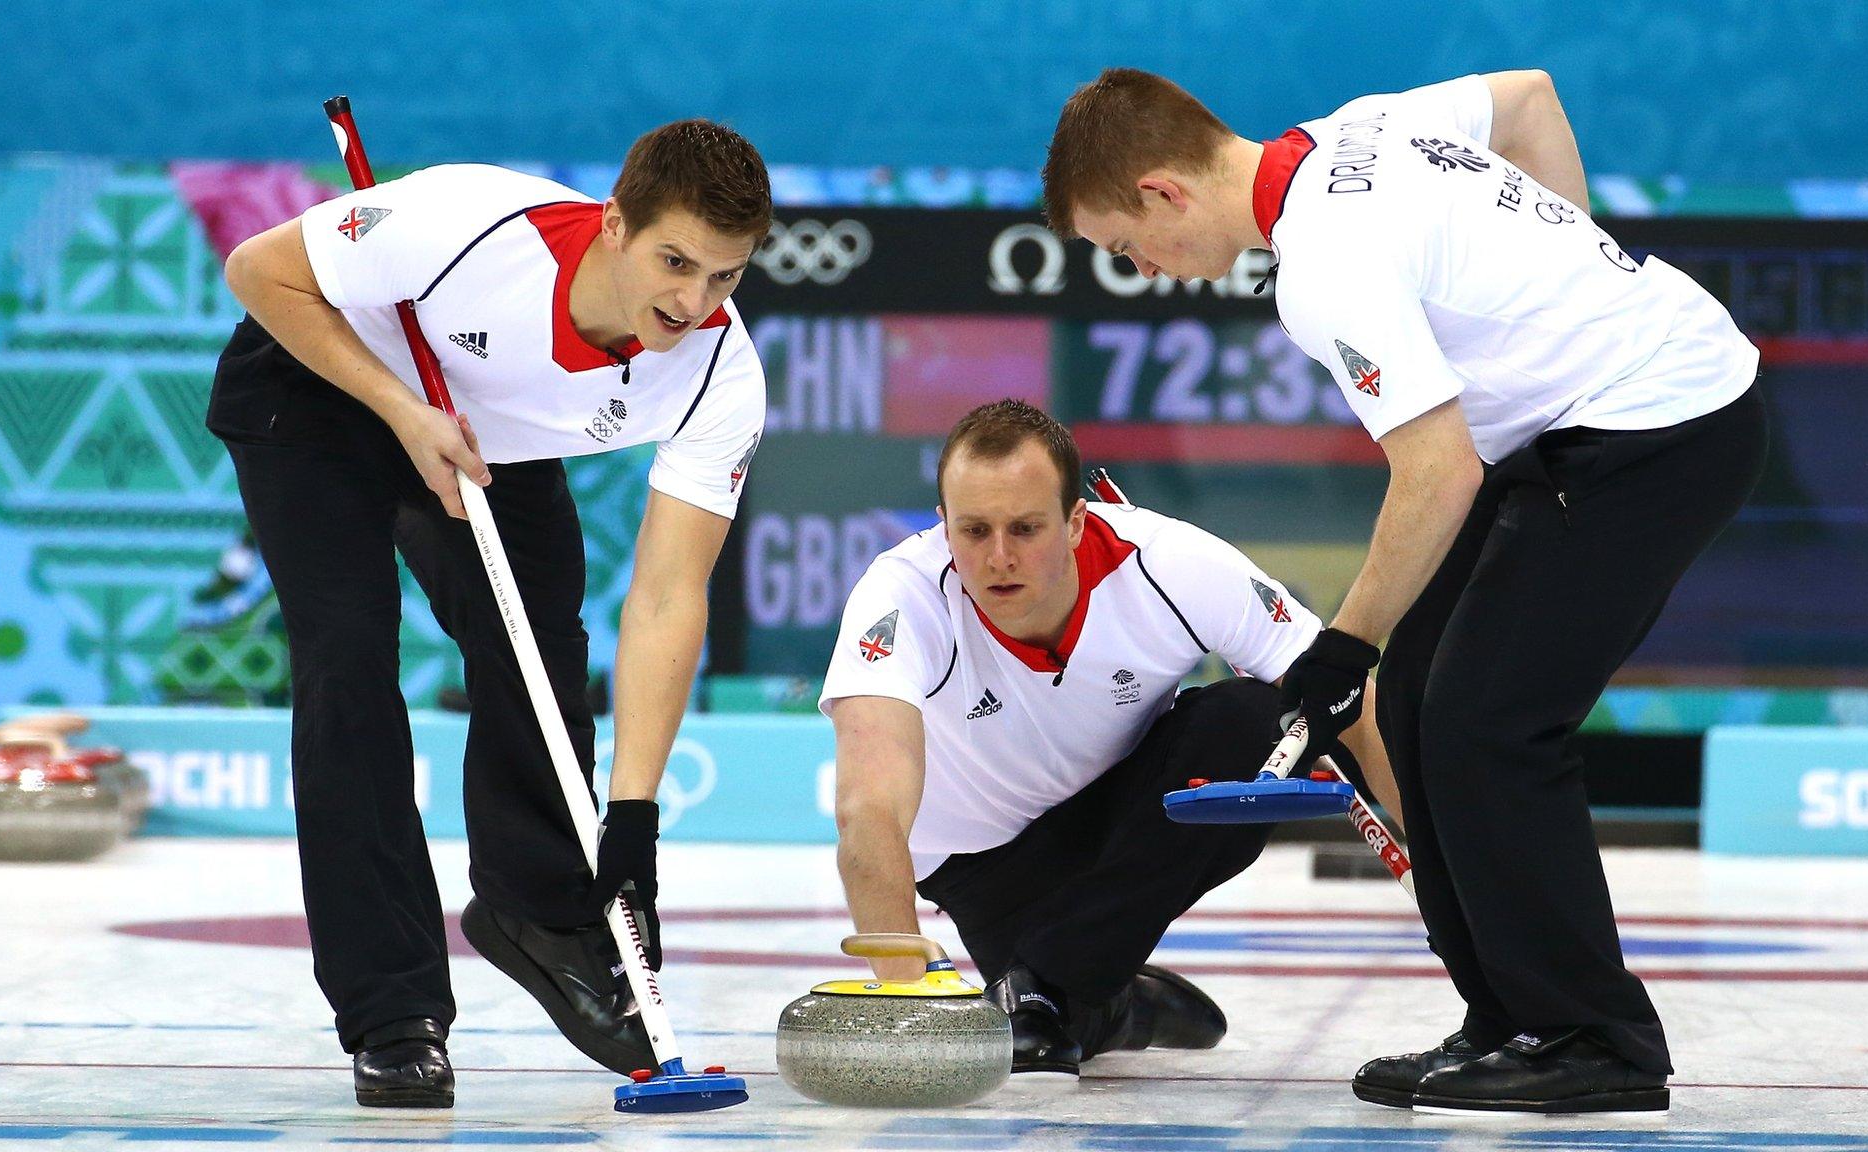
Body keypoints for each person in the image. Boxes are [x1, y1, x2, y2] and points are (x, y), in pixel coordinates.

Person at [1042, 69, 1767, 1114]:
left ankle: (1594, 1039)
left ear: (1161, 191)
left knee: (1488, 722)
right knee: (1422, 698)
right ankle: (1511, 1015)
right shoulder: (1359, 127)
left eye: (1124, 246)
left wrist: (1342, 646)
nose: (1141, 270)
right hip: (1588, 423)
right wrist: (1568, 269)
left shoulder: (1323, 266)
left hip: (1663, 421)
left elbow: (1438, 471)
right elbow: (1527, 99)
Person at [209, 121, 772, 1107]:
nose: (692, 303)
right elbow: (258, 270)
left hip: (476, 427)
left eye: (723, 278)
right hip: (319, 382)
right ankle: (392, 1012)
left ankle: (539, 910)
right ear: (614, 226)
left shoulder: (718, 375)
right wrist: (399, 410)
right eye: (673, 262)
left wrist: (630, 823)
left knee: (542, 641)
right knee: (347, 661)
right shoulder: (469, 223)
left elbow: (669, 597)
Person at [820, 400, 1401, 1080]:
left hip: (1130, 815)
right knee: (1046, 1029)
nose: (998, 558)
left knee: (1254, 719)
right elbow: (869, 811)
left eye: (1026, 528)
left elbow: (1353, 707)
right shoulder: (901, 599)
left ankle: (1063, 977)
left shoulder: (1170, 563)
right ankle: (1122, 1003)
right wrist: (904, 1001)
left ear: (1075, 521)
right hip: (983, 866)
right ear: (943, 525)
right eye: (973, 530)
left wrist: (1457, 884)